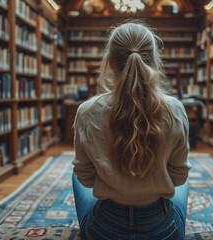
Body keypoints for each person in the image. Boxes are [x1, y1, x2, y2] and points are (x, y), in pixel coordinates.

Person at [72, 21, 191, 240]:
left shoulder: (86, 111)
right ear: (154, 61)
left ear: (110, 63)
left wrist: (116, 184)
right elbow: (179, 176)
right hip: (163, 231)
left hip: (103, 230)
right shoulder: (175, 109)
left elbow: (85, 177)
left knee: (74, 172)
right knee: (184, 181)